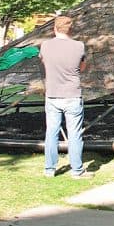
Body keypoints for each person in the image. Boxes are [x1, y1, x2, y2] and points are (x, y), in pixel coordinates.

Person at [39, 15, 91, 178]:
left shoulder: (45, 46)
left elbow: (43, 61)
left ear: (54, 29)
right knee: (75, 133)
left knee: (51, 132)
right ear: (71, 29)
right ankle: (77, 170)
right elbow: (82, 67)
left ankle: (49, 169)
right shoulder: (79, 46)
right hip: (72, 95)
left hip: (53, 95)